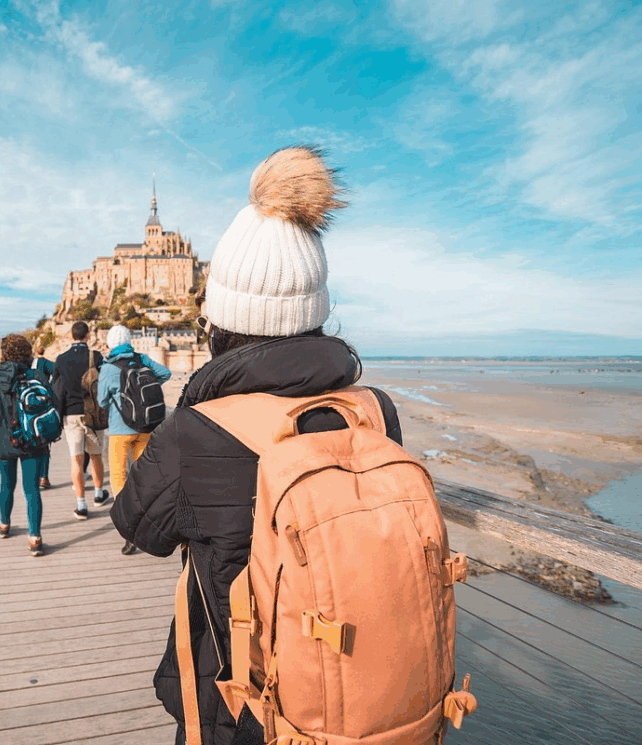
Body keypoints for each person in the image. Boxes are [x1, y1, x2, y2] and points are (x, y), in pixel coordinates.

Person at [111, 146, 403, 745]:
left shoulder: (198, 429)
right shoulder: (375, 412)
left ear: (222, 319)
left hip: (245, 704)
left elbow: (136, 524)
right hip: (363, 692)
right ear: (316, 314)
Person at [98, 324, 170, 555]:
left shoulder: (108, 368)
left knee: (118, 475)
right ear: (129, 340)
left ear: (110, 344)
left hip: (120, 429)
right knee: (144, 474)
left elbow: (102, 402)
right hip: (146, 426)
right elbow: (165, 373)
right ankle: (148, 519)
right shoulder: (142, 358)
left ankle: (127, 525)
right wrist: (144, 391)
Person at [0, 334, 48, 556]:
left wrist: (3, 413)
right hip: (34, 439)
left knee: (6, 485)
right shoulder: (37, 375)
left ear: (4, 353)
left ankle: (4, 524)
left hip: (4, 439)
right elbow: (49, 403)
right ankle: (35, 538)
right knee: (32, 489)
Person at [50, 321, 109, 519]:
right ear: (88, 336)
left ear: (70, 336)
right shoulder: (97, 356)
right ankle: (99, 494)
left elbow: (55, 388)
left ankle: (81, 505)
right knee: (96, 456)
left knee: (76, 459)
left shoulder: (61, 359)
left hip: (72, 414)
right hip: (93, 413)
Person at [31, 345, 56, 490]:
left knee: (33, 442)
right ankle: (44, 477)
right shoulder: (46, 363)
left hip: (29, 405)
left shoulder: (29, 364)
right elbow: (57, 371)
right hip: (44, 404)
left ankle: (34, 476)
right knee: (45, 443)